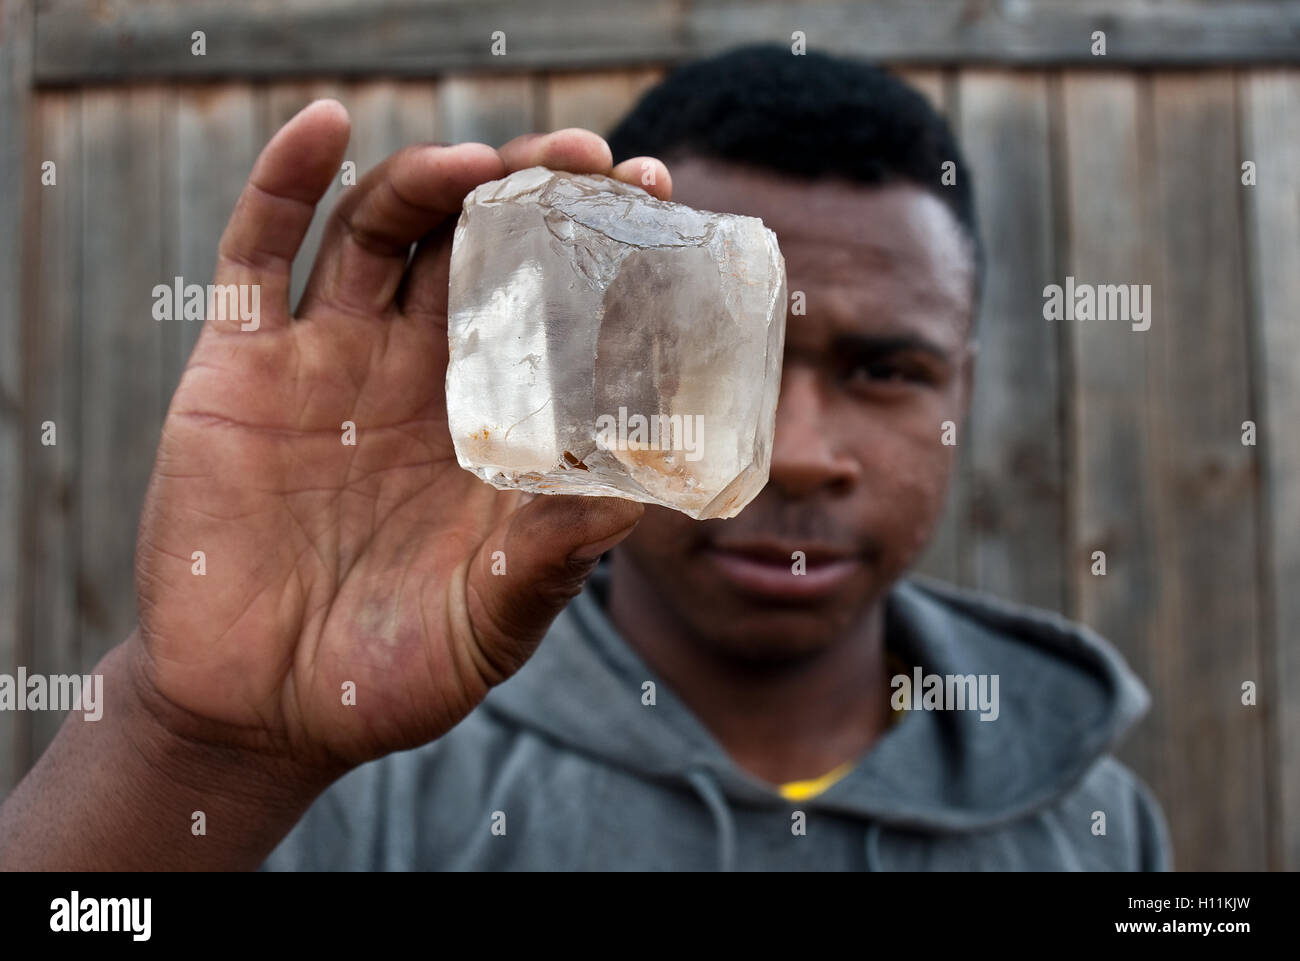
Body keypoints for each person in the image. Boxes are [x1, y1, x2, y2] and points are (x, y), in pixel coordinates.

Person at [0, 46, 1170, 871]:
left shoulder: (1094, 819)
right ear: (579, 363)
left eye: (884, 371)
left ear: (961, 384)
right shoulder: (352, 783)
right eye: (715, 362)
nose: (798, 456)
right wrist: (191, 746)